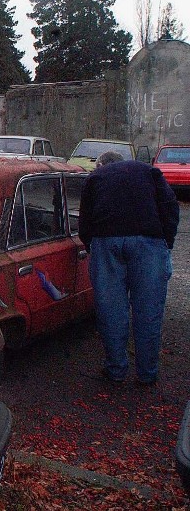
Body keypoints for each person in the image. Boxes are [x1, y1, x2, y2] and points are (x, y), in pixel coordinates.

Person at [79, 151, 179, 385]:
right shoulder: (149, 171)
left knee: (111, 310)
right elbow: (170, 205)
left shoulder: (95, 178)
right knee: (148, 311)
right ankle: (147, 374)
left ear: (102, 164)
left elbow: (85, 219)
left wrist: (90, 244)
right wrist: (166, 241)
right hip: (148, 242)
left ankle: (116, 370)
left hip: (106, 242)